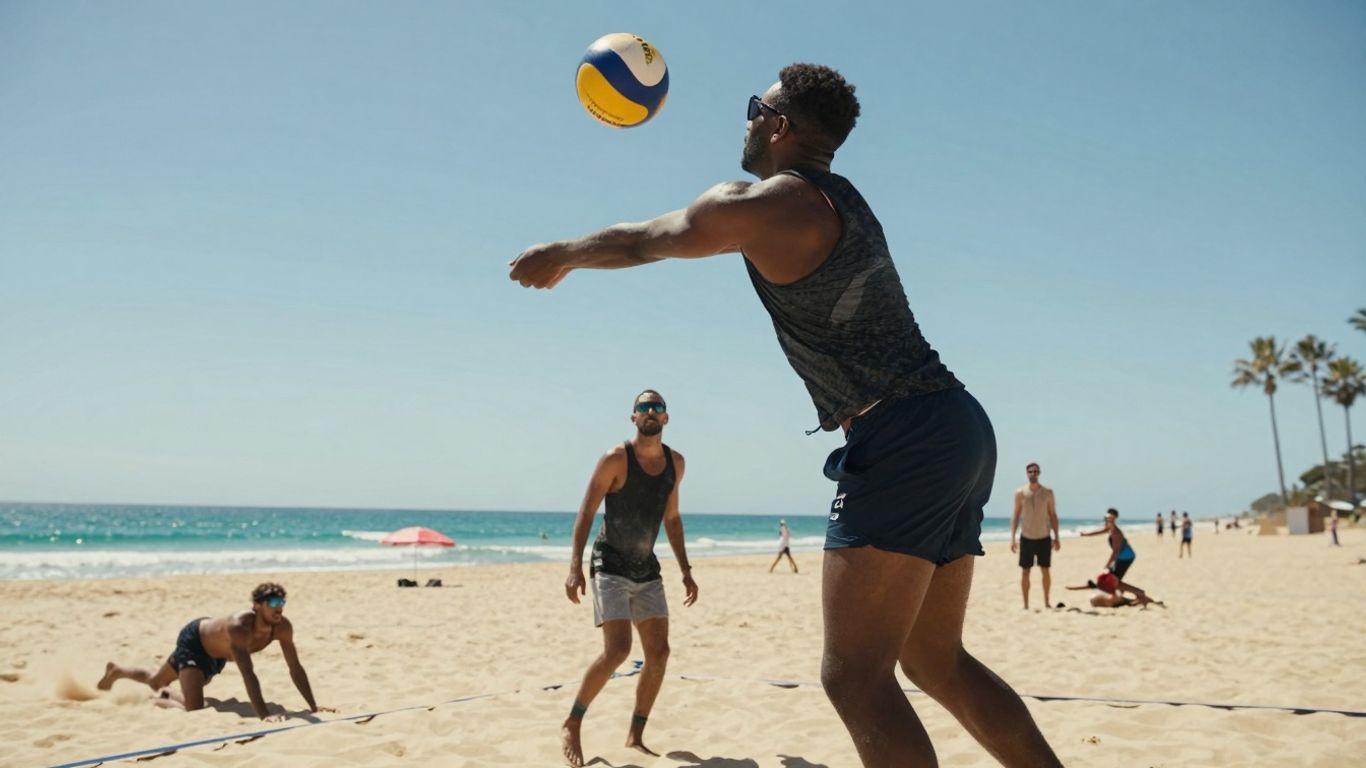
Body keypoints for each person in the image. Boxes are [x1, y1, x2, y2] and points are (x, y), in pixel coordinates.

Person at [512, 63, 1059, 768]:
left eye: (754, 107)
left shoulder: (767, 205)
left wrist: (563, 253)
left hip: (902, 433)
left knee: (853, 678)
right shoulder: (841, 198)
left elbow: (648, 239)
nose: (744, 120)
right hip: (958, 426)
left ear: (778, 125)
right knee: (934, 659)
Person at [559, 390, 698, 767]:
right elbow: (586, 512)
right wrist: (574, 566)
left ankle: (636, 734)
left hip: (646, 567)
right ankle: (573, 721)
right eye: (643, 407)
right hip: (610, 563)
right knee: (618, 650)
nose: (651, 411)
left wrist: (686, 570)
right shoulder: (615, 459)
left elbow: (672, 518)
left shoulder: (676, 463)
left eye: (657, 407)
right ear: (633, 417)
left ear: (666, 418)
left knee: (660, 653)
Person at [97, 583, 326, 719]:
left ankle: (118, 671)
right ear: (257, 606)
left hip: (217, 654)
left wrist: (313, 707)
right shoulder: (240, 627)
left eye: (282, 602)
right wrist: (264, 715)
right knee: (194, 709)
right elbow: (248, 673)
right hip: (194, 642)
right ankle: (160, 696)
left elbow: (295, 668)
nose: (279, 608)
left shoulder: (282, 627)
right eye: (273, 603)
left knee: (157, 680)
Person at [1009, 462, 1060, 610]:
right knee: (1025, 571)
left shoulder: (1048, 492)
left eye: (1036, 471)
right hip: (1027, 537)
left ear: (1039, 473)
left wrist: (1057, 537)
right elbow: (1016, 515)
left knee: (1045, 570)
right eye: (1030, 471)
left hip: (1044, 536)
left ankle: (1047, 602)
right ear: (1027, 473)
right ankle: (1025, 604)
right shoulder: (1020, 493)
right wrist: (1012, 538)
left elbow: (1053, 515)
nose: (1033, 474)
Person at [1082, 508, 1136, 579]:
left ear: (1114, 519)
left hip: (1126, 556)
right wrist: (1086, 534)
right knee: (1113, 577)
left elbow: (1115, 552)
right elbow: (1100, 531)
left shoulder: (1116, 533)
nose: (1106, 521)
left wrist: (1107, 565)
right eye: (1105, 518)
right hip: (1120, 556)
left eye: (1109, 519)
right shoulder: (1110, 529)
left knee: (1114, 579)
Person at [1064, 572, 1162, 609]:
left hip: (1111, 601)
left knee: (1132, 601)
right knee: (1132, 601)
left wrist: (1071, 588)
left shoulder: (1101, 587)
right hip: (1113, 602)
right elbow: (1086, 587)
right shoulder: (1103, 588)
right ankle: (1152, 602)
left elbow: (1084, 587)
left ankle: (1152, 602)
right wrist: (1071, 588)